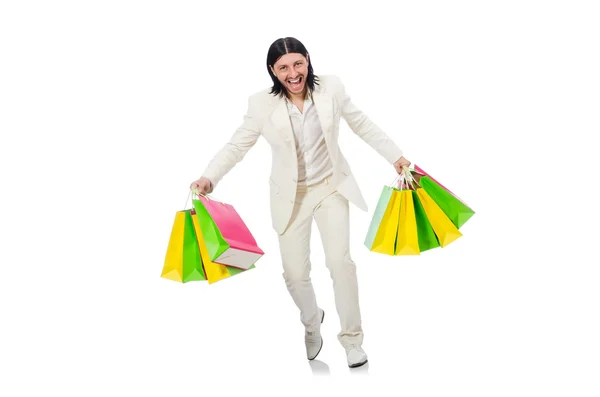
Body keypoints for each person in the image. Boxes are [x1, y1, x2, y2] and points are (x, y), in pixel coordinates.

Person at [190, 37, 410, 368]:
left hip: (330, 189)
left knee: (340, 263)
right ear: (273, 71)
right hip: (289, 198)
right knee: (294, 274)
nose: (293, 73)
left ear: (307, 60)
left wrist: (396, 156)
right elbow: (236, 146)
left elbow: (362, 123)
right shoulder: (261, 105)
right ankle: (312, 320)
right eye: (283, 68)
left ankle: (352, 340)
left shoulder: (331, 88)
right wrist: (209, 177)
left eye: (298, 64)